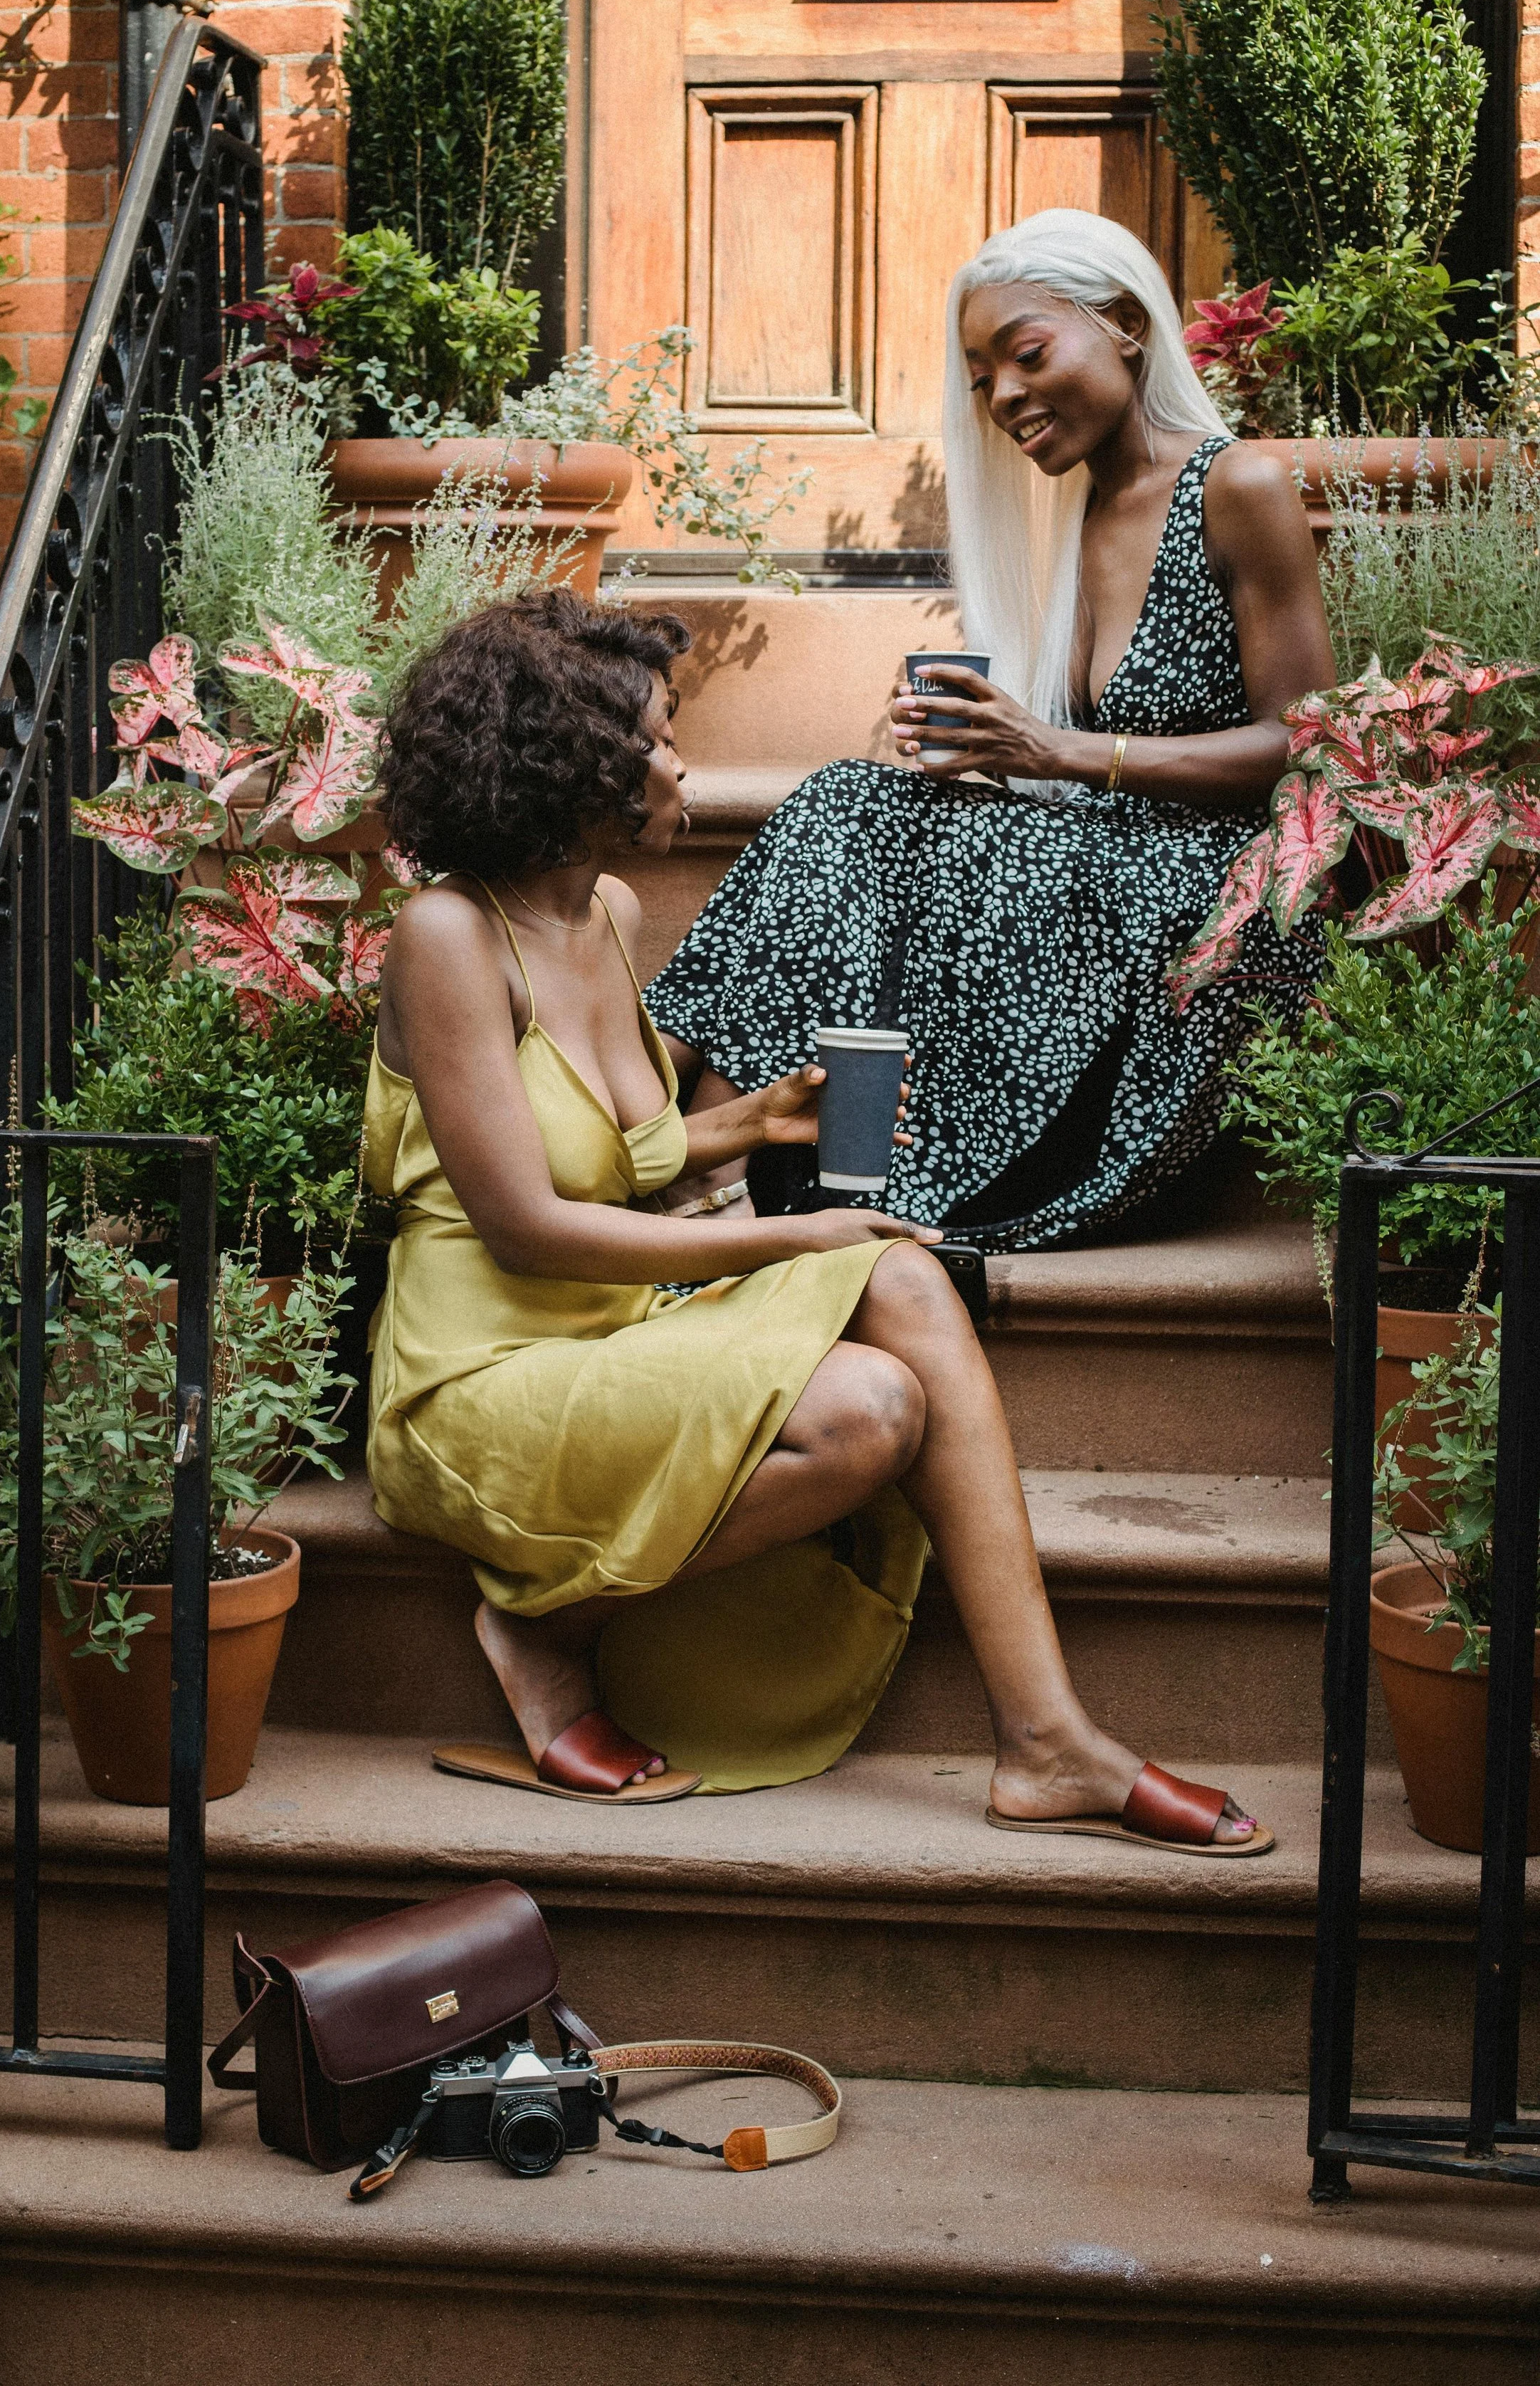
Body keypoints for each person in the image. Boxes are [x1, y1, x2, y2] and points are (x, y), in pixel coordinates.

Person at [361, 588, 1270, 1851]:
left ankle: (1047, 1737)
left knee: (906, 1276)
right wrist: (793, 1235)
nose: (686, 766)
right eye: (664, 739)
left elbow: (632, 1156)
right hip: (481, 1376)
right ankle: (544, 1623)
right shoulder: (448, 937)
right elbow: (531, 1227)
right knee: (870, 1404)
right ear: (577, 765)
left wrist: (760, 1119)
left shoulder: (610, 916)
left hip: (620, 1334)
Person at [646, 208, 1336, 1247]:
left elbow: (1307, 749)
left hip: (1216, 902)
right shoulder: (1081, 516)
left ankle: (670, 1144)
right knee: (859, 804)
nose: (1006, 397)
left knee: (852, 813)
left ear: (1125, 326)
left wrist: (1058, 751)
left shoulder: (1237, 486)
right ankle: (684, 1135)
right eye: (984, 384)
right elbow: (1078, 778)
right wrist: (989, 753)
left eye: (1025, 354)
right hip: (1105, 866)